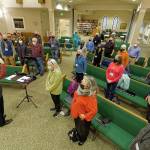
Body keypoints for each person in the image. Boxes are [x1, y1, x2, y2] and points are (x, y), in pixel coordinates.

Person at [69, 75, 98, 145]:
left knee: (83, 130)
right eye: (83, 79)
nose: (82, 80)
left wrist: (85, 116)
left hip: (82, 118)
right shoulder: (80, 88)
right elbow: (75, 97)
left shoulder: (91, 97)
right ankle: (78, 132)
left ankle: (82, 139)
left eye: (84, 80)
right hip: (76, 113)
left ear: (88, 85)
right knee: (77, 126)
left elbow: (94, 111)